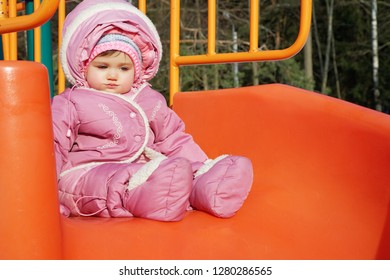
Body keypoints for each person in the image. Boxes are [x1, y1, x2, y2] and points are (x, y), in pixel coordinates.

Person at [52, 0, 253, 222]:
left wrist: (201, 167)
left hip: (145, 173)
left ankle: (207, 187)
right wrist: (44, 196)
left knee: (178, 171)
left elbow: (174, 139)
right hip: (86, 173)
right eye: (102, 67)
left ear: (137, 70)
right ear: (83, 65)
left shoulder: (150, 100)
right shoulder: (72, 101)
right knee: (108, 182)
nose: (113, 75)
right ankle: (150, 195)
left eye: (124, 68)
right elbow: (54, 144)